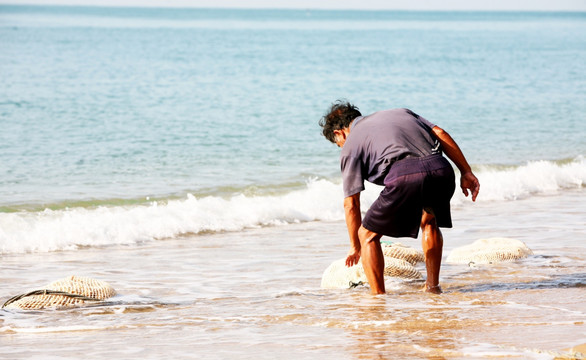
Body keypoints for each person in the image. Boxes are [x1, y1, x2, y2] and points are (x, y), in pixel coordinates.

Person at [319, 101, 480, 295]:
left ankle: (378, 299)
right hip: (442, 169)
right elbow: (441, 133)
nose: (341, 147)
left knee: (367, 236)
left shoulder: (350, 144)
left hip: (404, 175)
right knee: (429, 222)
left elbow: (351, 204)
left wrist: (355, 246)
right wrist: (466, 171)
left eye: (338, 144)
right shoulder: (401, 112)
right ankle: (433, 287)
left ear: (339, 133)